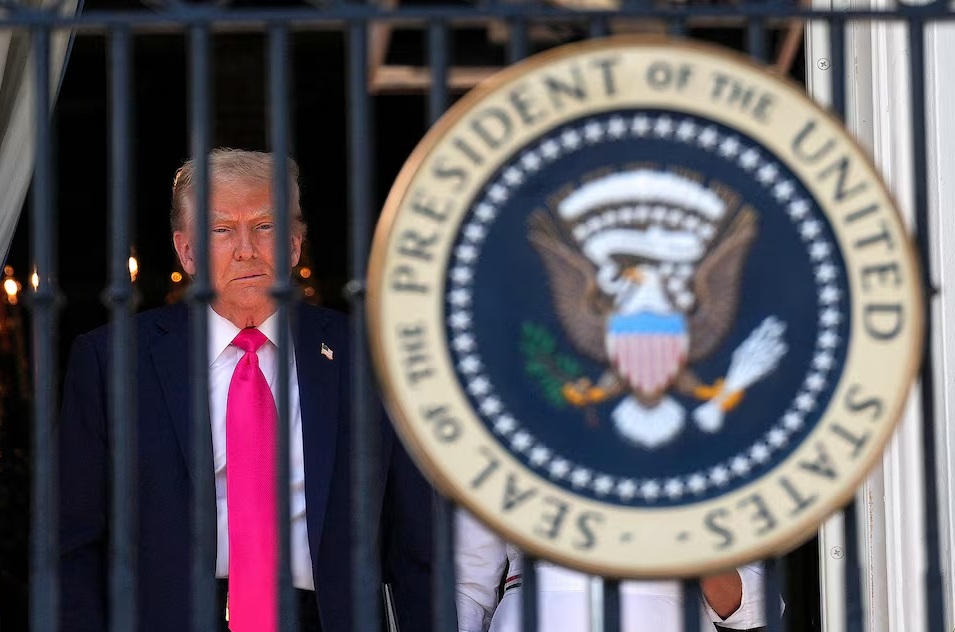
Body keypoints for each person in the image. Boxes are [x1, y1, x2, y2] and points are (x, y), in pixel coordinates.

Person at [58, 149, 433, 632]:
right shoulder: (112, 361)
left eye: (265, 226)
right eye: (221, 230)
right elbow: (73, 544)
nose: (246, 249)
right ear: (186, 252)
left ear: (294, 245)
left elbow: (416, 542)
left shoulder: (368, 356)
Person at [456, 510, 779, 632]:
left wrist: (685, 539)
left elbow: (758, 605)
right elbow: (469, 591)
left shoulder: (706, 450)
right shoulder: (506, 438)